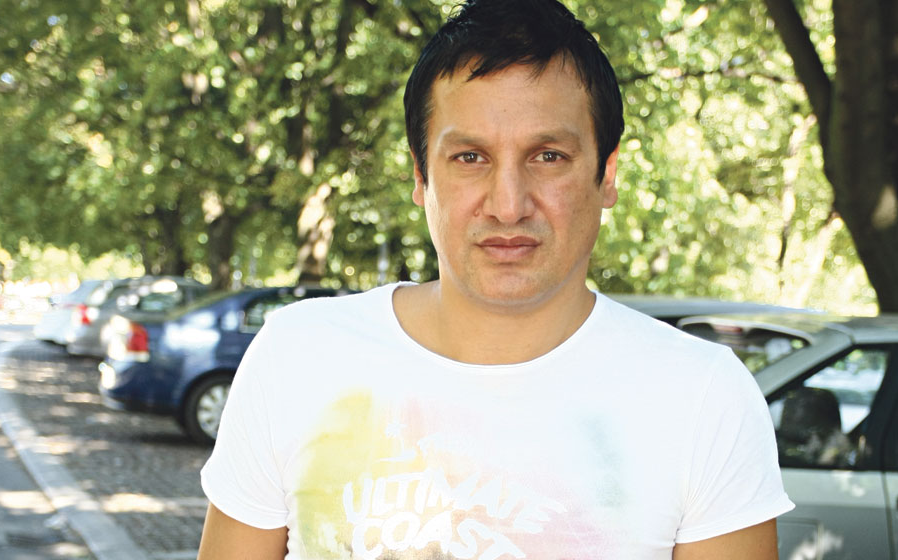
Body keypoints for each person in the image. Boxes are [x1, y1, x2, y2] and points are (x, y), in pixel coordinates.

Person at [197, 1, 794, 558]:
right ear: (420, 177)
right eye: (470, 157)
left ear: (607, 175)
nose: (508, 205)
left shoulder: (703, 397)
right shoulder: (298, 356)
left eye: (548, 156)